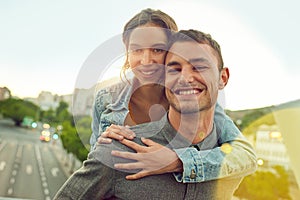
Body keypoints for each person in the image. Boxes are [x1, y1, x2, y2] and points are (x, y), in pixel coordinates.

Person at [54, 29, 255, 199]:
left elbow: (248, 156)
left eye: (199, 67)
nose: (185, 78)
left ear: (223, 78)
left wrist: (179, 161)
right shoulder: (120, 151)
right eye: (174, 69)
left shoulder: (231, 162)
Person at [89, 8, 256, 182]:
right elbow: (94, 164)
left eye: (157, 50)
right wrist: (105, 145)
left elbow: (245, 154)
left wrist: (179, 162)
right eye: (136, 50)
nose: (146, 61)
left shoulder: (190, 98)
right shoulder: (106, 99)